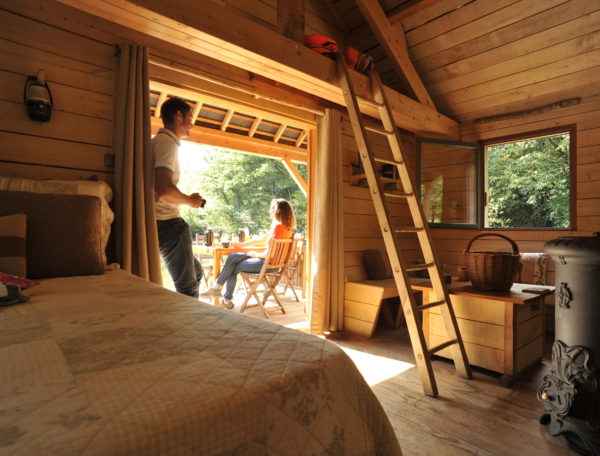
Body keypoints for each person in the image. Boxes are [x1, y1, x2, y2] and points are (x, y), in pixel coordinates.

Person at [153, 97, 205, 298]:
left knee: (197, 272)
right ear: (178, 116)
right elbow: (163, 189)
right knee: (187, 289)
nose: (192, 122)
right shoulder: (167, 143)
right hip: (168, 225)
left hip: (158, 223)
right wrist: (190, 201)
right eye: (190, 117)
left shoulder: (156, 142)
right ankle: (187, 325)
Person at [202, 199, 295, 309]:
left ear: (278, 211)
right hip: (274, 265)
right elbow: (262, 240)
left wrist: (253, 253)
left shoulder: (278, 227)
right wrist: (243, 245)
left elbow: (269, 254)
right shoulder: (288, 229)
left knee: (233, 264)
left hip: (266, 263)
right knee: (233, 257)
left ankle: (221, 292)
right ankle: (224, 296)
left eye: (272, 209)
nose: (270, 211)